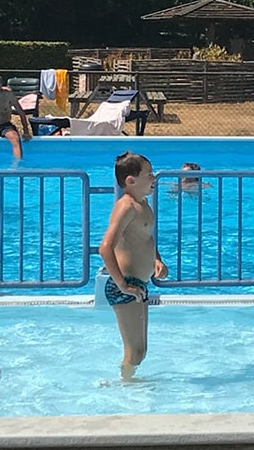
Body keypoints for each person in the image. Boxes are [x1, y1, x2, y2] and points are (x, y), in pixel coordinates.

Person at [99, 152, 169, 380]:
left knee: (141, 351)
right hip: (125, 285)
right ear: (131, 181)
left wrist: (156, 259)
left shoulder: (143, 204)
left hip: (138, 285)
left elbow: (145, 238)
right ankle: (125, 386)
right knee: (135, 352)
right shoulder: (126, 207)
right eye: (148, 174)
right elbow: (105, 248)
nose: (154, 178)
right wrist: (122, 285)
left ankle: (127, 383)